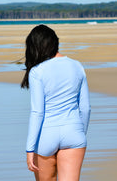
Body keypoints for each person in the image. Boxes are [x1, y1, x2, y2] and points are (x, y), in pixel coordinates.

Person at [21, 24, 91, 181]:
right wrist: (79, 132)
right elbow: (85, 108)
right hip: (73, 132)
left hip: (46, 135)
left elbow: (37, 112)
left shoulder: (37, 71)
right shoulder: (77, 66)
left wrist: (29, 148)